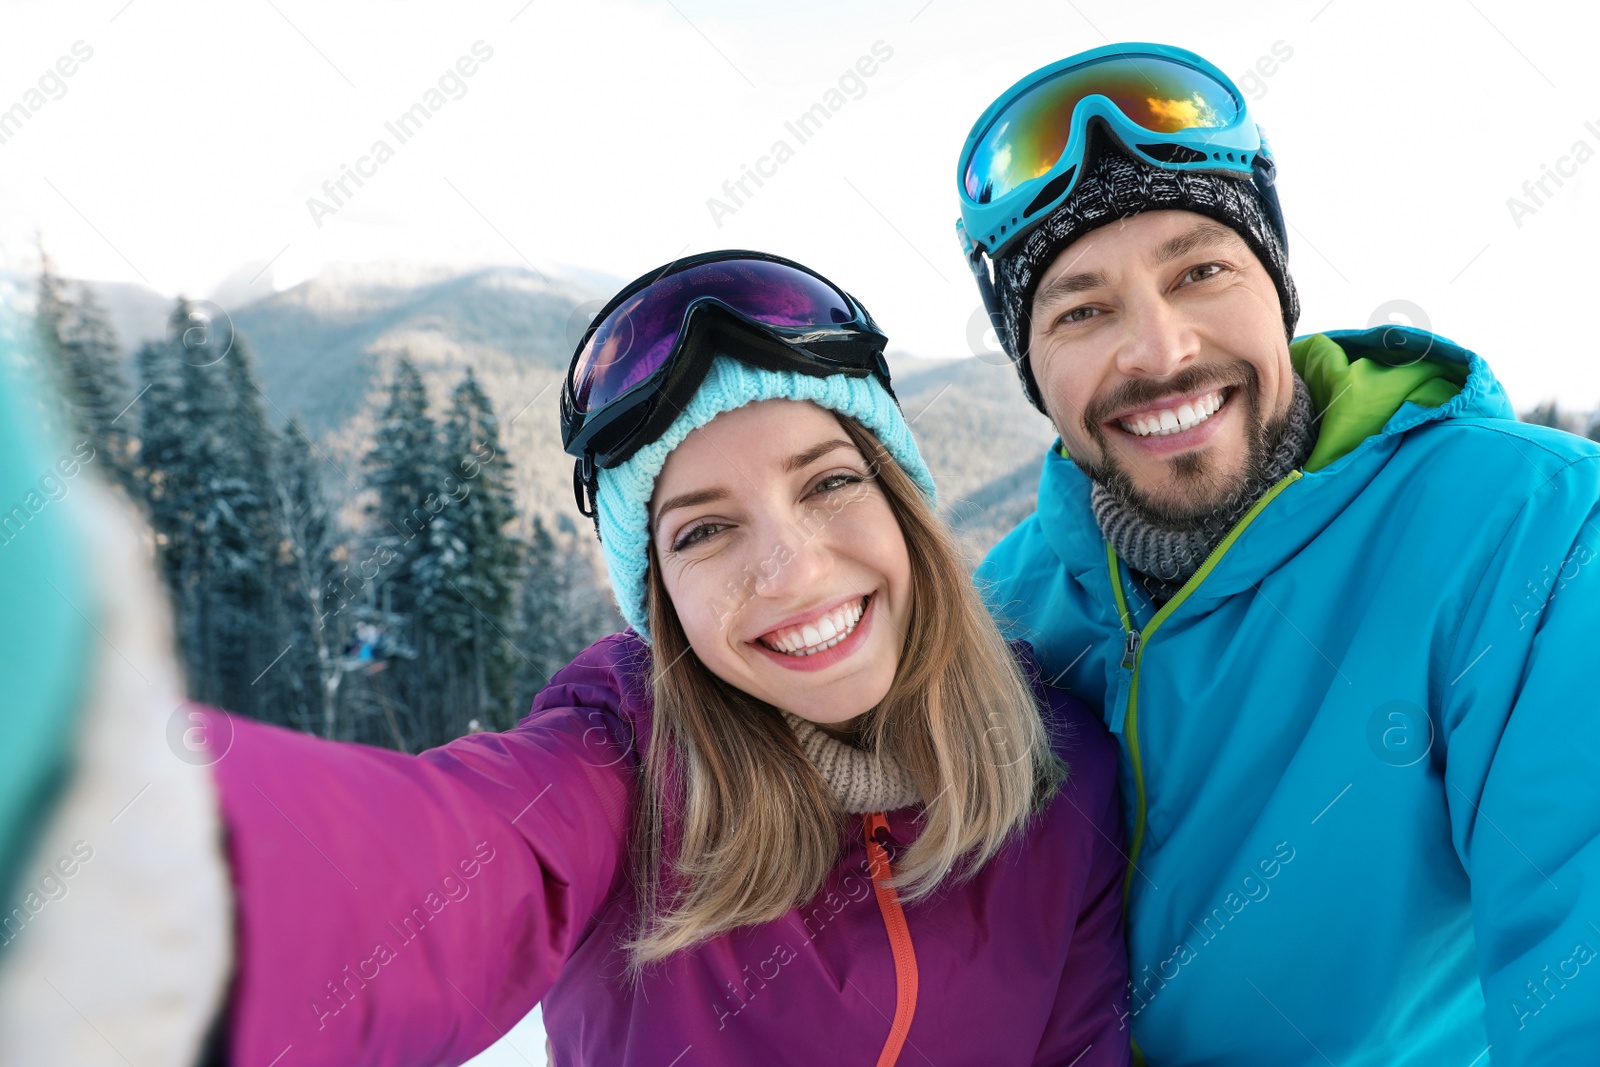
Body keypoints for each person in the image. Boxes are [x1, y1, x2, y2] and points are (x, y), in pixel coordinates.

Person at [22, 251, 1131, 1065]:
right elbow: (408, 872)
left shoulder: (1059, 770)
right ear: (660, 600)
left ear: (904, 504)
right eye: (703, 529)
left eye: (828, 481)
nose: (788, 568)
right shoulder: (621, 770)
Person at [953, 42, 1600, 1064]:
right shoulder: (1005, 616)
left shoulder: (1526, 532)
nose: (1160, 352)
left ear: (1277, 286)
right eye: (1080, 308)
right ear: (1032, 366)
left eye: (1199, 270)